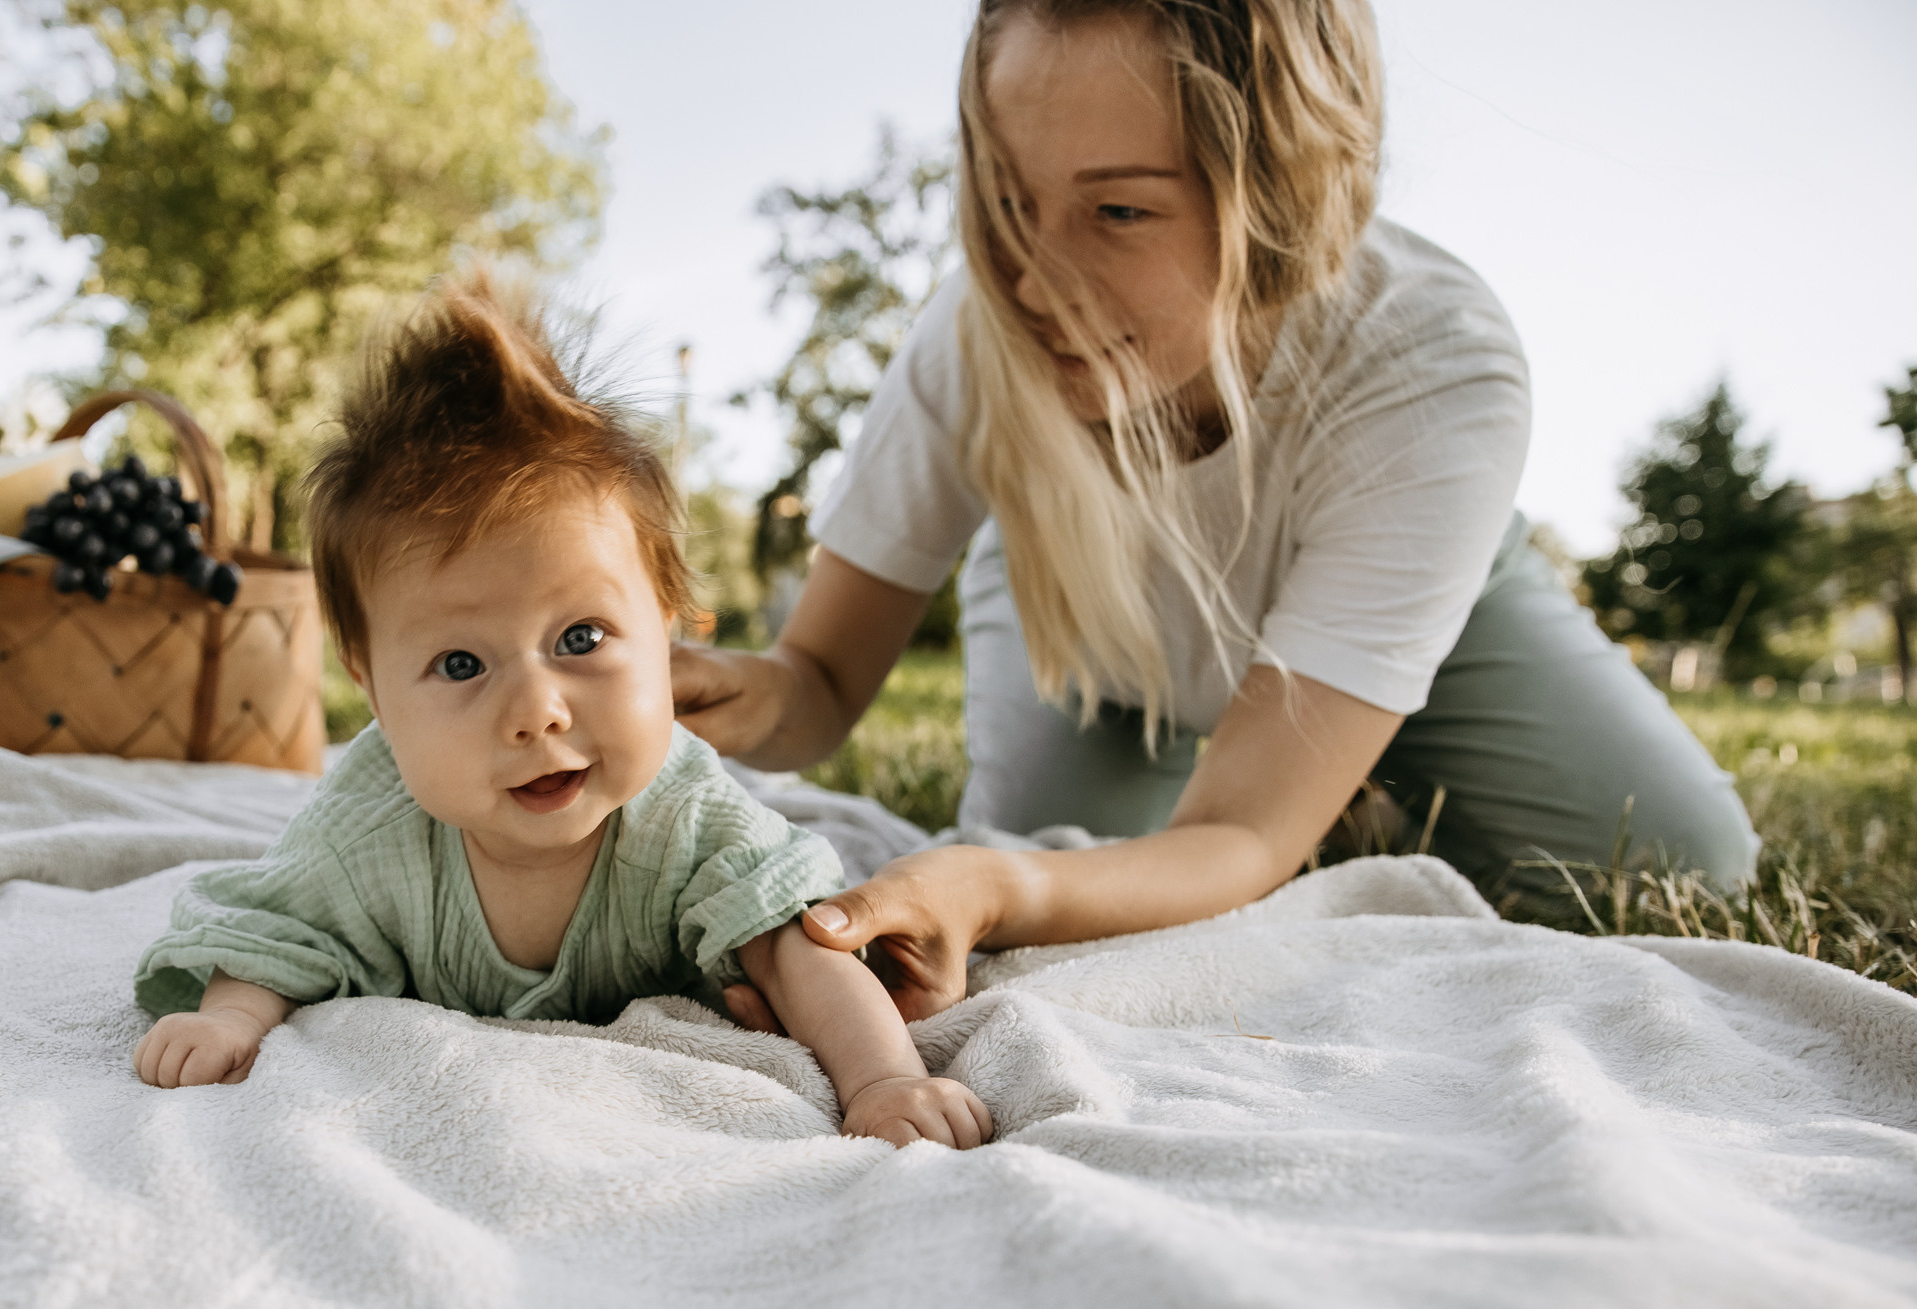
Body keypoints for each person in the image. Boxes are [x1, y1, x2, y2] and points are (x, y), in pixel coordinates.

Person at [675, 0, 1760, 1030]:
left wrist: (1000, 885)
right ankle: (1319, 786)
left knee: (1682, 863)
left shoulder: (1432, 360)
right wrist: (730, 690)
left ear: (1289, 195)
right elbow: (816, 686)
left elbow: (1241, 834)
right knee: (1073, 876)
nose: (1033, 282)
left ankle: (1345, 757)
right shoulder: (971, 338)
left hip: (1418, 621)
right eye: (1006, 197)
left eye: (1120, 210)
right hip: (1092, 628)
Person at [130, 272, 991, 1151]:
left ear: (664, 630)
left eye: (581, 640)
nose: (538, 712)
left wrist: (885, 1080)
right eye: (461, 663)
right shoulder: (367, 833)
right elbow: (275, 930)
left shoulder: (685, 815)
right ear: (374, 691)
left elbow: (799, 947)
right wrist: (231, 1017)